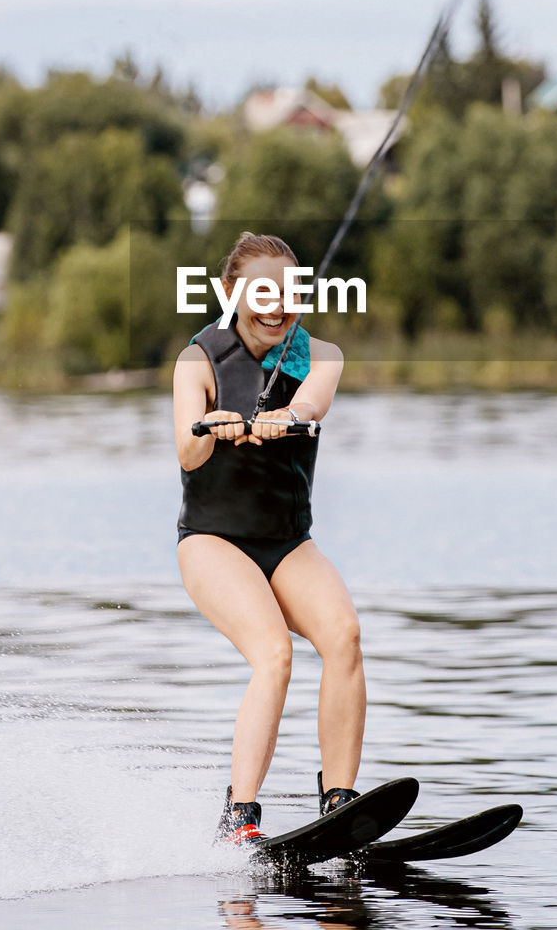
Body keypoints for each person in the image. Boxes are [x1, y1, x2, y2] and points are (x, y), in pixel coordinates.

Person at [173, 231, 366, 845]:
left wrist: (283, 419)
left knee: (343, 635)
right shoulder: (198, 361)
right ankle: (241, 817)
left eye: (288, 292)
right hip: (213, 542)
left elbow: (312, 404)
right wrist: (215, 425)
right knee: (273, 654)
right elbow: (186, 445)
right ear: (232, 294)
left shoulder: (322, 355)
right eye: (261, 292)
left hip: (287, 543)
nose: (275, 305)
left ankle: (338, 799)